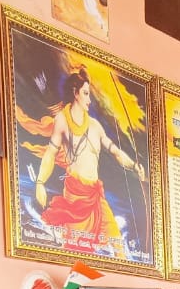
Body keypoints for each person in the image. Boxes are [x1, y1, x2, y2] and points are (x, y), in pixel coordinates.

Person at [25, 68, 146, 256]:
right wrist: (40, 182)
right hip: (75, 197)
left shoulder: (95, 126)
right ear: (75, 93)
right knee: (75, 253)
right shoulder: (62, 121)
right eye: (85, 94)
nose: (89, 100)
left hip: (96, 196)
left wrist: (133, 165)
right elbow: (50, 153)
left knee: (119, 248)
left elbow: (114, 150)